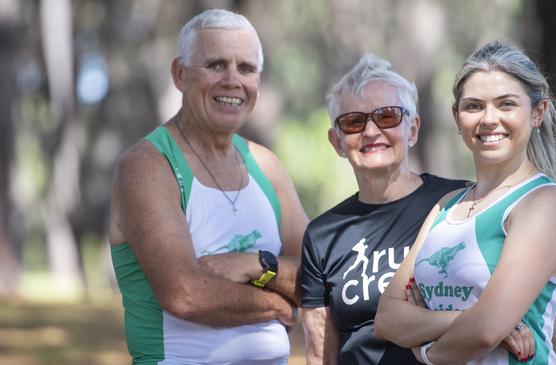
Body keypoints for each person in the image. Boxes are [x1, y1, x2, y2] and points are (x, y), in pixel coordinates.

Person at [300, 54, 530, 365]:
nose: (370, 132)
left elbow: (523, 310)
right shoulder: (322, 234)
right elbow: (320, 355)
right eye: (353, 122)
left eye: (388, 116)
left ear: (413, 129)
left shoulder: (460, 202)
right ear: (336, 141)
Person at [109, 9, 308, 365]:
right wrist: (281, 305)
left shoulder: (266, 166)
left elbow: (319, 275)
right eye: (216, 65)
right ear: (180, 74)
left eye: (246, 68)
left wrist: (258, 265)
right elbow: (185, 294)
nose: (232, 80)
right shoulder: (147, 166)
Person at [375, 40, 556, 364]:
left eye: (506, 104)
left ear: (538, 112)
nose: (488, 119)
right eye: (473, 106)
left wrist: (423, 350)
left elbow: (484, 331)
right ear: (457, 116)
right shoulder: (446, 206)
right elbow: (387, 317)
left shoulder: (542, 203)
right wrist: (464, 321)